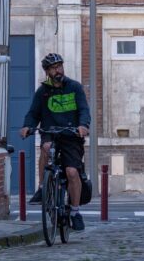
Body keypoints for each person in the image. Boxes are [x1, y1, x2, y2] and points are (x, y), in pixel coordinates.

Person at [20, 53, 91, 231]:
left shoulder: (74, 87)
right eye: (53, 68)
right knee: (45, 147)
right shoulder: (43, 92)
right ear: (47, 72)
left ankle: (75, 212)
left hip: (71, 135)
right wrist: (27, 126)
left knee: (72, 172)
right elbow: (33, 113)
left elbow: (83, 109)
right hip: (50, 132)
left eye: (59, 66)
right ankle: (43, 186)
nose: (57, 70)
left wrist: (83, 125)